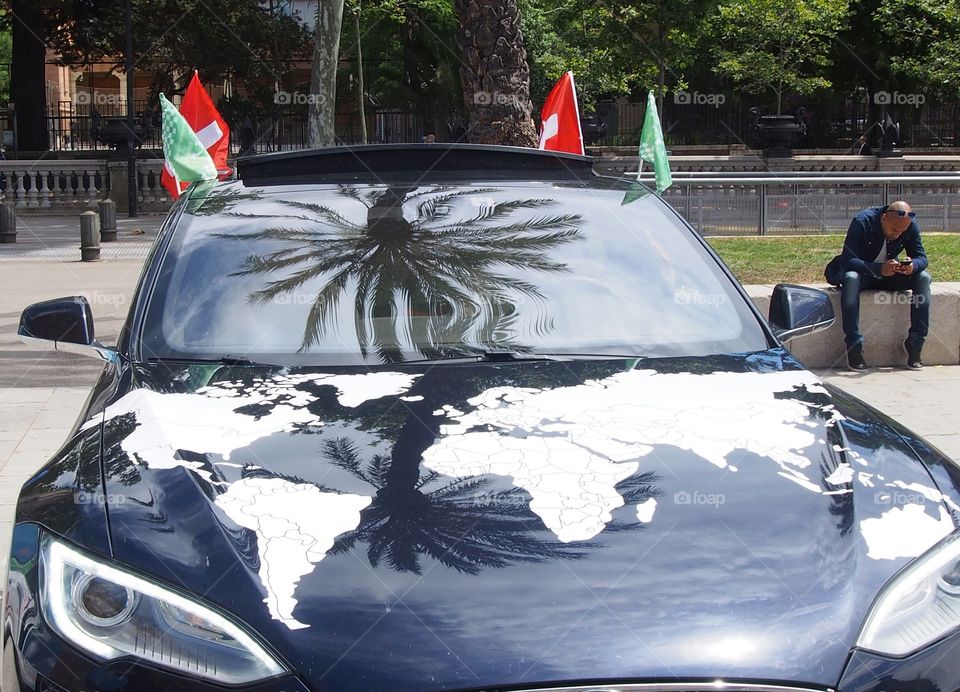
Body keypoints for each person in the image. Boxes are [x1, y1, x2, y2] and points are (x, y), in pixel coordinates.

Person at [824, 201, 931, 370]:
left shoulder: (909, 226)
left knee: (923, 278)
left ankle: (915, 343)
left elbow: (922, 258)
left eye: (902, 232)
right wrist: (878, 269)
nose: (897, 235)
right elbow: (848, 260)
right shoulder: (862, 221)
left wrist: (912, 266)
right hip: (863, 274)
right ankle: (854, 346)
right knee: (851, 278)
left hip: (890, 275)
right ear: (883, 218)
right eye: (894, 230)